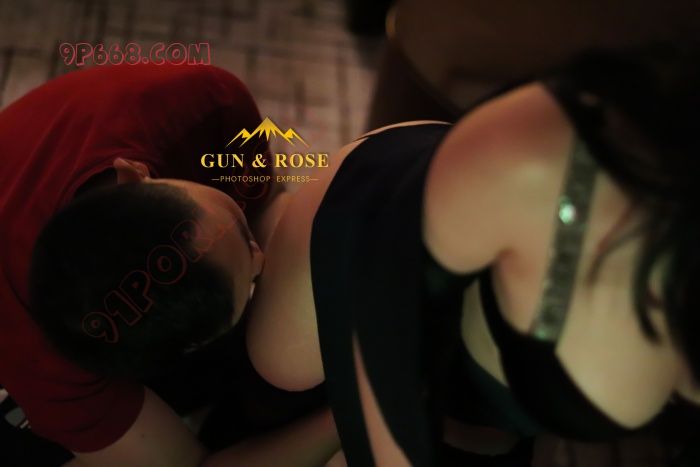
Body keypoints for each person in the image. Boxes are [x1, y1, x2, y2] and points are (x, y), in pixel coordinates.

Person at [242, 42, 700, 465]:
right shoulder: (557, 159)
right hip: (379, 234)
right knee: (278, 376)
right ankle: (261, 217)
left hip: (484, 387)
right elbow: (383, 303)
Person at [3, 63, 336, 466]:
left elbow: (266, 202)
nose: (260, 260)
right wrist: (356, 412)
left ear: (134, 176)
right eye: (246, 240)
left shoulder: (203, 104)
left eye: (240, 228)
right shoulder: (46, 359)